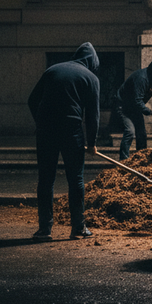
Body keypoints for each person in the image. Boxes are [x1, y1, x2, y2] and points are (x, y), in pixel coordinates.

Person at [27, 42, 100, 241]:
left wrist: (40, 122)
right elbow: (93, 115)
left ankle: (44, 229)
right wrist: (92, 143)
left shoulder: (52, 70)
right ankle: (78, 227)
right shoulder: (91, 78)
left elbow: (32, 100)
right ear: (92, 62)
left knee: (46, 178)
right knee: (75, 179)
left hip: (46, 130)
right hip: (71, 130)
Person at [115, 56, 152, 160]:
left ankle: (141, 158)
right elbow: (137, 101)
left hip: (135, 108)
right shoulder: (141, 79)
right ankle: (123, 161)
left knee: (142, 134)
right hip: (124, 106)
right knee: (130, 131)